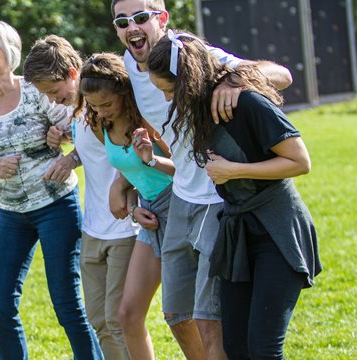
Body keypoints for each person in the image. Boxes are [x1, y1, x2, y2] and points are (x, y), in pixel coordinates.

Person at [110, 0, 294, 358]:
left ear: (161, 18)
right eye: (122, 21)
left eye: (141, 18)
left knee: (212, 321)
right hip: (182, 197)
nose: (132, 27)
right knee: (177, 314)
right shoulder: (129, 67)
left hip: (218, 200)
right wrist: (122, 182)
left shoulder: (191, 56)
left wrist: (233, 79)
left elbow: (282, 74)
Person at [147, 31, 321, 359]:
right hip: (237, 233)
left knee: (263, 348)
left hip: (276, 232)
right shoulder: (197, 112)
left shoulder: (247, 103)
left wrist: (233, 171)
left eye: (170, 91)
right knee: (235, 347)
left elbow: (300, 162)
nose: (169, 100)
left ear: (190, 82)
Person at [0, 20, 102, 359]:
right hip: (10, 213)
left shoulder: (36, 89)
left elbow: (83, 123)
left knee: (67, 303)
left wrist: (63, 138)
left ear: (9, 53)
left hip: (56, 204)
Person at [23, 36, 140, 359]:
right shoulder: (78, 112)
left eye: (53, 91)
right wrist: (70, 156)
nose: (52, 100)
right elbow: (94, 150)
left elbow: (136, 152)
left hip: (124, 226)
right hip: (94, 227)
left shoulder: (106, 106)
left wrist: (121, 186)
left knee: (117, 321)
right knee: (99, 320)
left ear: (73, 74)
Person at [73, 52, 177, 360]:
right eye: (92, 105)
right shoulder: (97, 123)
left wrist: (152, 158)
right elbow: (131, 174)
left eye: (106, 104)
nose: (100, 111)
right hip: (149, 211)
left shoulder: (146, 120)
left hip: (178, 207)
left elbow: (185, 169)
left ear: (124, 92)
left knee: (182, 311)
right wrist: (130, 202)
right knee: (126, 314)